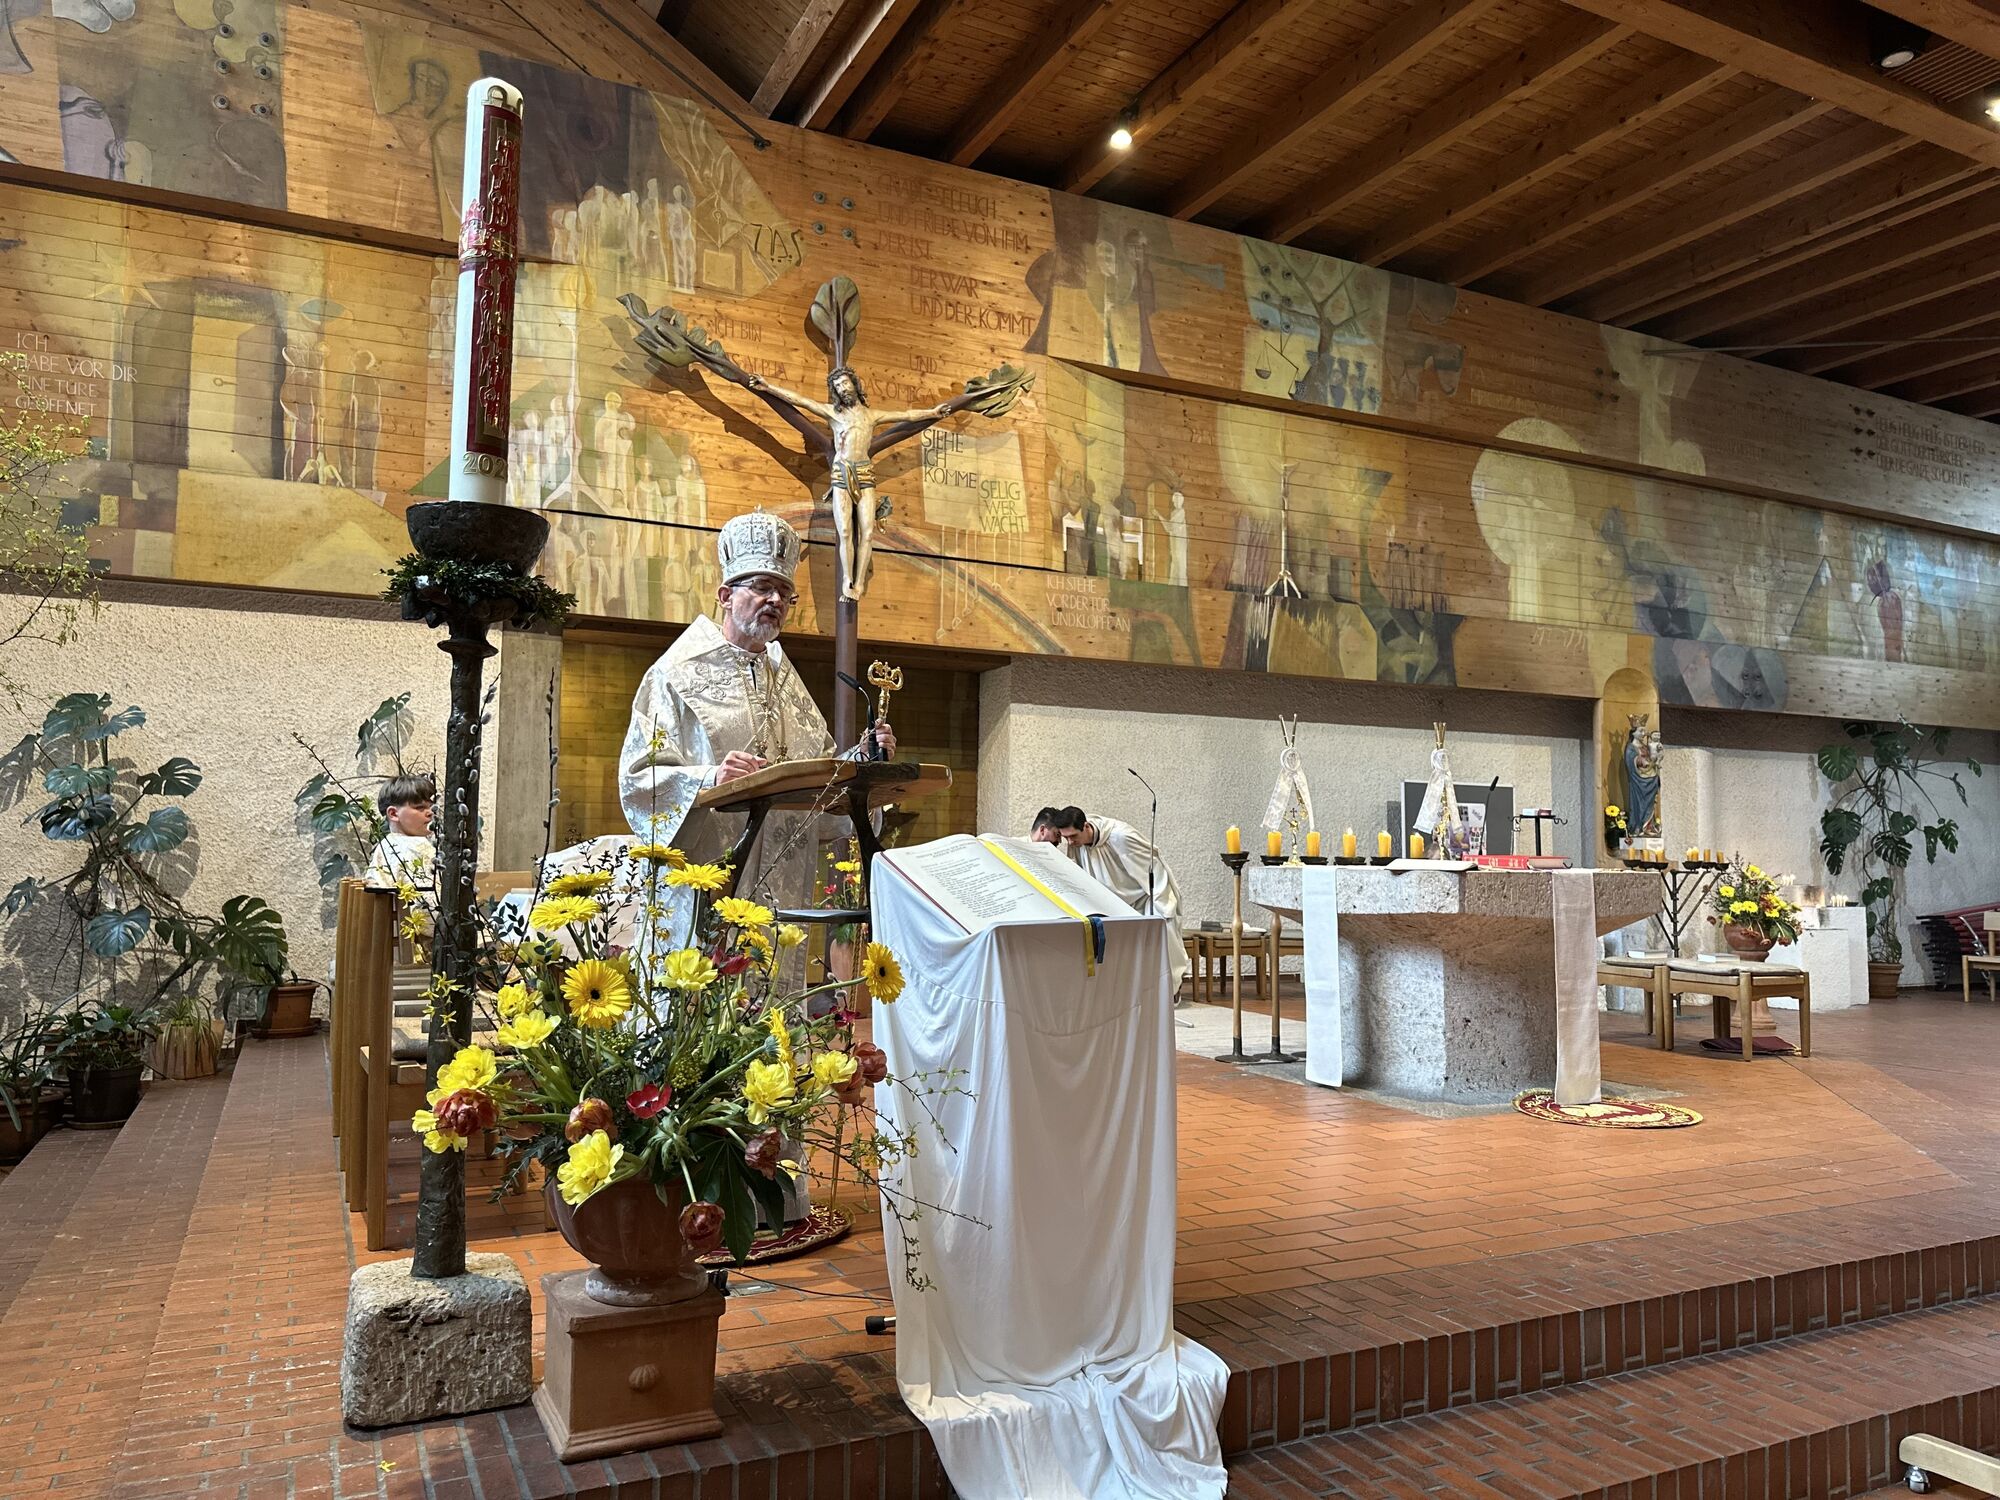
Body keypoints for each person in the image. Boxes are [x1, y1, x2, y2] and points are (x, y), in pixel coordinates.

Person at [619, 510, 895, 962]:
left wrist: (860, 762)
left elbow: (817, 782)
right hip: (703, 881)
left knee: (770, 1000)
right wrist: (711, 778)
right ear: (726, 596)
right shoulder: (675, 675)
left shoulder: (787, 683)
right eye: (763, 587)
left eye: (785, 592)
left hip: (777, 891)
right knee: (700, 997)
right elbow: (638, 780)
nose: (776, 600)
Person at [1031, 804, 1191, 994]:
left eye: (1073, 836)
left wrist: (1163, 907)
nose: (1070, 842)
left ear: (1086, 826)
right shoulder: (1077, 843)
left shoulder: (1121, 837)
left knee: (1163, 937)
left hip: (1144, 898)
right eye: (1066, 838)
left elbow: (1154, 873)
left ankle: (1168, 992)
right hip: (1114, 906)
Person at [366, 774, 436, 890]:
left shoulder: (386, 845)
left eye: (432, 807)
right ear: (393, 813)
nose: (430, 813)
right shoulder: (394, 846)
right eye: (420, 807)